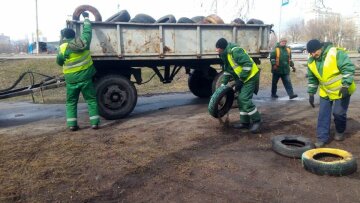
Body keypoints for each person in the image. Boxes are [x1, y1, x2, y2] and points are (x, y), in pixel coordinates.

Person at [306, 39, 356, 147]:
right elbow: (312, 78)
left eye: (315, 51)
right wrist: (311, 93)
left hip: (342, 89)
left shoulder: (336, 53)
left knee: (338, 113)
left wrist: (346, 85)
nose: (313, 54)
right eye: (311, 52)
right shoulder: (311, 61)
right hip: (326, 91)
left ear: (320, 48)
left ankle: (340, 131)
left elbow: (348, 69)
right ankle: (322, 138)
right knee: (323, 114)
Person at [56, 12, 100, 131]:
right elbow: (87, 31)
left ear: (64, 37)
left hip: (71, 80)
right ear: (74, 35)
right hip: (86, 78)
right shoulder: (83, 41)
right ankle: (95, 123)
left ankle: (72, 125)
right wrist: (86, 18)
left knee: (71, 102)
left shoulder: (62, 48)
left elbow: (59, 62)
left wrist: (61, 58)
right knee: (91, 100)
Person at [215, 38, 261, 133]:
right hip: (244, 78)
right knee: (240, 99)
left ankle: (257, 121)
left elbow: (248, 64)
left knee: (244, 98)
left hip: (251, 76)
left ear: (222, 48)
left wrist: (241, 80)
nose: (216, 50)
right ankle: (245, 123)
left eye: (217, 48)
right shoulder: (226, 55)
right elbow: (228, 71)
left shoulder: (235, 51)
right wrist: (223, 84)